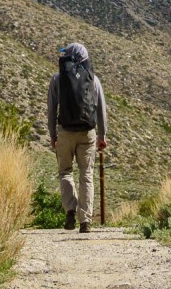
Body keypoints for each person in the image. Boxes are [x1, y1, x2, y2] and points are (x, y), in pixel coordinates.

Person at [47, 43, 108, 233]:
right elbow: (101, 109)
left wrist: (53, 135)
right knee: (86, 175)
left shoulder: (57, 78)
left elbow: (51, 109)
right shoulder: (93, 79)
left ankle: (70, 211)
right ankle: (85, 221)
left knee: (65, 171)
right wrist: (102, 136)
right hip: (87, 133)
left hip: (64, 132)